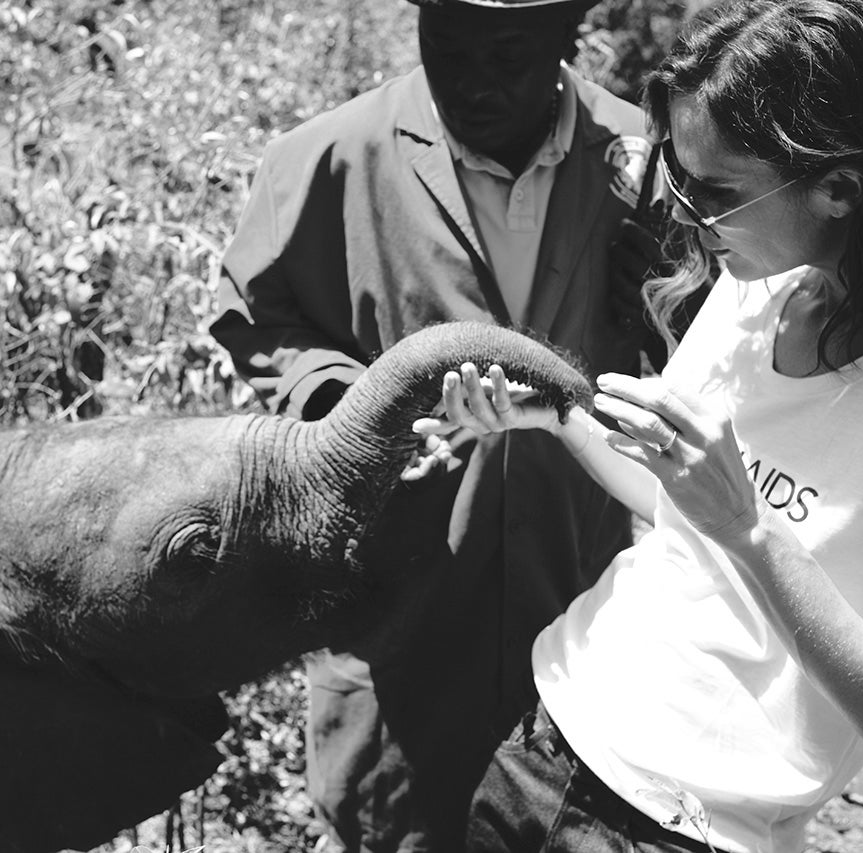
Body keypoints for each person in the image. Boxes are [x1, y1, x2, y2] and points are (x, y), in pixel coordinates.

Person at [417, 1, 863, 851]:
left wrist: (752, 530)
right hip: (550, 735)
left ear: (841, 189)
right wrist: (557, 413)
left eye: (714, 192)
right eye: (678, 176)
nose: (682, 212)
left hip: (687, 828)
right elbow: (682, 507)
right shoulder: (770, 271)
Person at [209, 0, 673, 849]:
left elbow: (714, 347)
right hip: (397, 616)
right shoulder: (332, 157)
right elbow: (257, 313)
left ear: (569, 34)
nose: (474, 82)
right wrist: (351, 406)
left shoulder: (641, 161)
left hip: (577, 606)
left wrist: (674, 300)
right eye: (449, 46)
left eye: (509, 53)